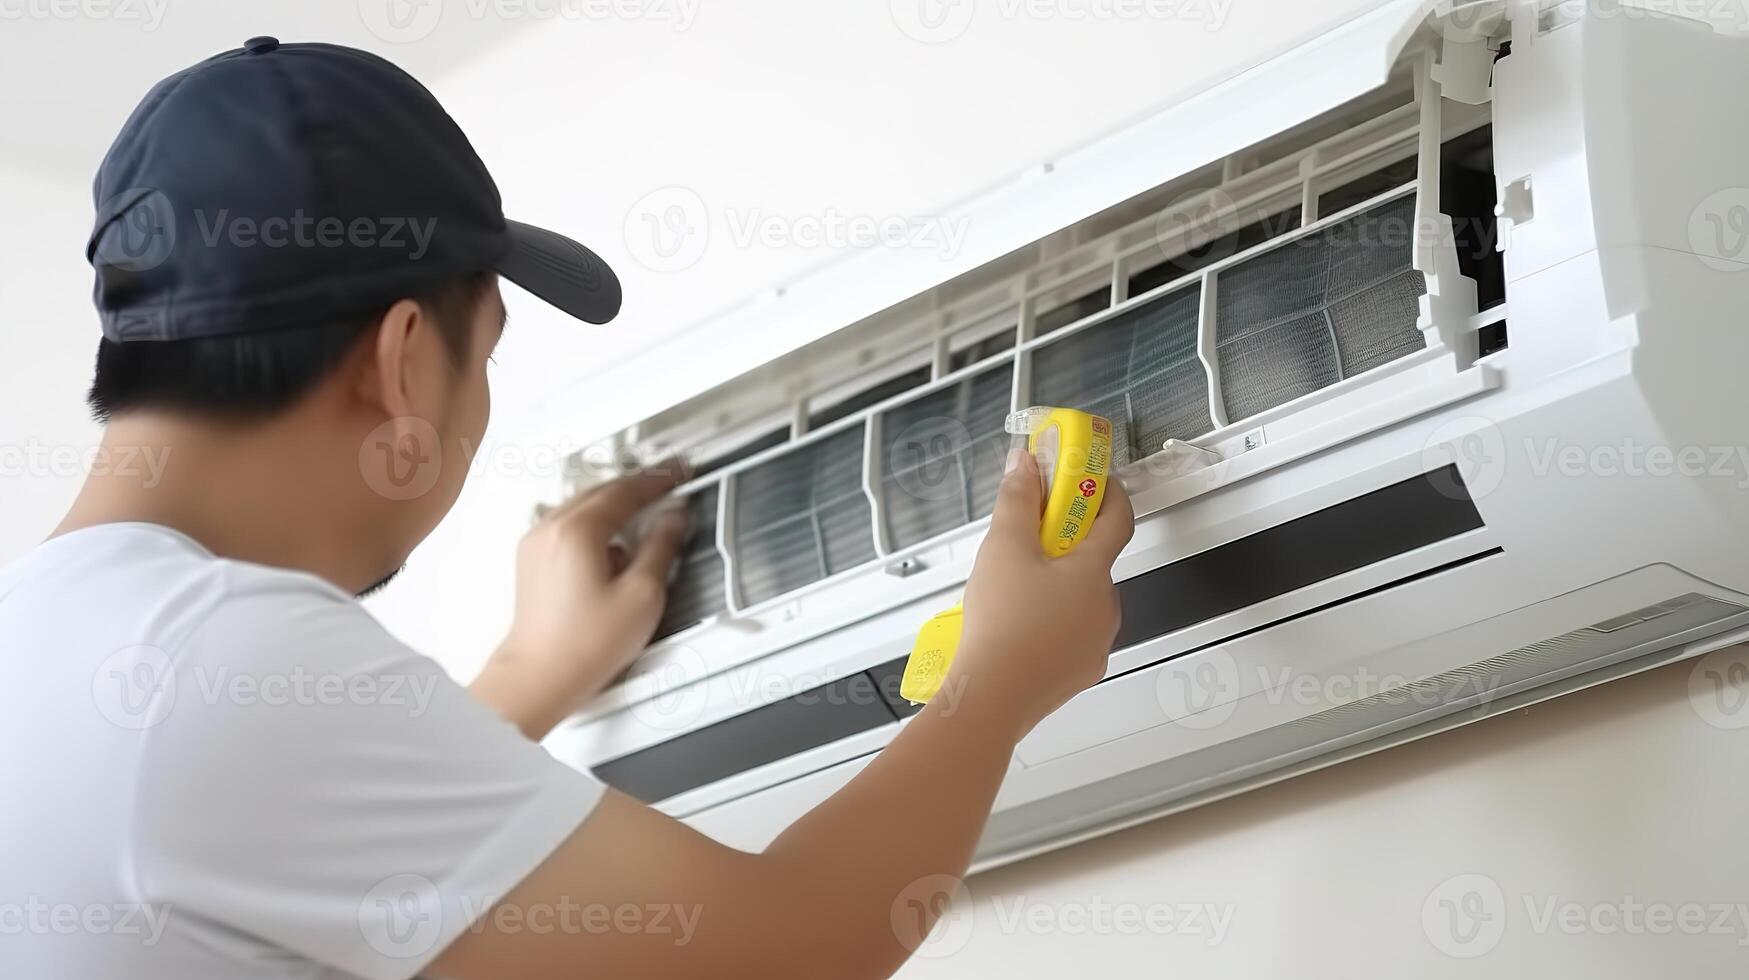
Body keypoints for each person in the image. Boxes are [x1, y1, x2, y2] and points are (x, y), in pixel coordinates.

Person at [0, 38, 1133, 980]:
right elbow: (787, 953)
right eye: (481, 354)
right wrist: (998, 683)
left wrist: (531, 671)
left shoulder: (62, 657)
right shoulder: (221, 657)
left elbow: (271, 819)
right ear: (401, 360)